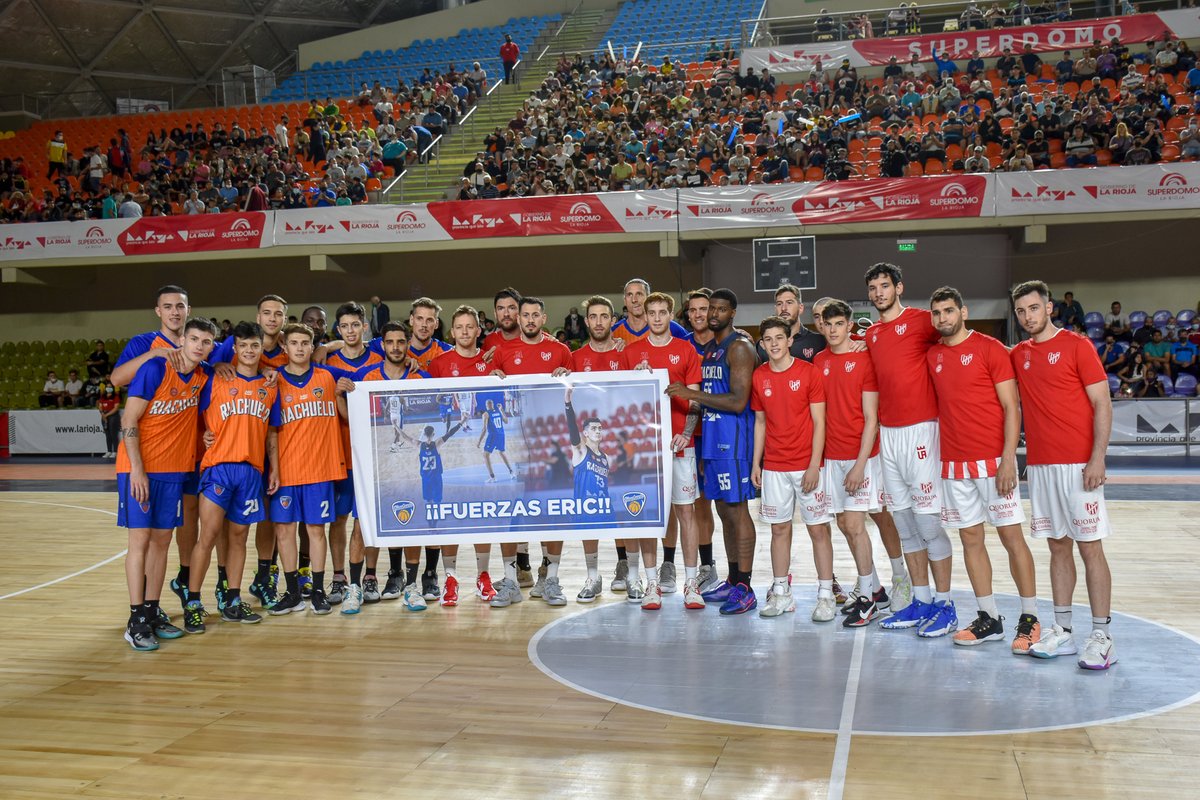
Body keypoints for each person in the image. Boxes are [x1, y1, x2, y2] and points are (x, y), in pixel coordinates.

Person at [926, 288, 1041, 653]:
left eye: (948, 311)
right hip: (953, 464)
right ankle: (988, 617)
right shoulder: (933, 355)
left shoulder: (989, 348)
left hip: (993, 462)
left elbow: (1012, 408)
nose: (943, 318)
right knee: (970, 540)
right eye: (936, 313)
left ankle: (1030, 617)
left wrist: (1009, 458)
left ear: (964, 311)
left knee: (1011, 538)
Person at [1010, 281, 1117, 670]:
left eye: (1034, 308)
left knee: (1090, 548)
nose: (1028, 317)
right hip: (1040, 467)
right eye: (1021, 311)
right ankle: (1064, 632)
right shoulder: (1018, 354)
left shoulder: (1077, 346)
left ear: (1050, 308)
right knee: (1058, 546)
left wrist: (1098, 458)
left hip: (1079, 466)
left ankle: (1103, 636)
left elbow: (1102, 403)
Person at [862, 263, 957, 639]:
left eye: (885, 286)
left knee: (929, 524)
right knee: (904, 525)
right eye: (873, 288)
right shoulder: (872, 334)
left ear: (899, 287)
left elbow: (954, 337)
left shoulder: (922, 321)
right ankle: (920, 600)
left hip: (922, 432)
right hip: (889, 435)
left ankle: (946, 605)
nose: (879, 293)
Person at [116, 317, 216, 651]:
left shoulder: (203, 377)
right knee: (140, 542)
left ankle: (151, 610)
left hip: (174, 472)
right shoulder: (155, 369)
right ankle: (135, 620)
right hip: (140, 469)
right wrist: (137, 471)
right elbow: (128, 420)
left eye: (206, 341)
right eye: (194, 339)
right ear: (183, 341)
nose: (199, 346)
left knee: (162, 543)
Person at [181, 321, 279, 633]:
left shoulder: (270, 385)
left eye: (255, 346)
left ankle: (233, 599)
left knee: (239, 538)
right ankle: (193, 602)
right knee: (207, 536)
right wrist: (203, 439)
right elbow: (190, 416)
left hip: (251, 472)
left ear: (261, 349)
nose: (249, 351)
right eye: (244, 346)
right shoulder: (214, 378)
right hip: (218, 467)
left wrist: (274, 468)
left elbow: (271, 434)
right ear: (234, 348)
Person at [666, 289, 759, 615]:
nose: (713, 314)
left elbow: (738, 401)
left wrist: (691, 393)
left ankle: (746, 586)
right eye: (710, 309)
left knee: (737, 510)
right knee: (722, 512)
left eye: (720, 309)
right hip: (712, 441)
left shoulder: (740, 348)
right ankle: (733, 579)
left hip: (734, 442)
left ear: (732, 312)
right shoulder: (711, 351)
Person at [621, 292, 703, 610]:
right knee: (646, 516)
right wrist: (634, 379)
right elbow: (621, 403)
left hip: (680, 445)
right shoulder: (631, 353)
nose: (656, 317)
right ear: (645, 314)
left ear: (670, 315)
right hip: (643, 450)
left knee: (685, 512)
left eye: (661, 312)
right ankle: (652, 584)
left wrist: (685, 434)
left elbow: (695, 399)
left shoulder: (686, 349)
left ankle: (691, 583)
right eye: (651, 312)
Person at [268, 322, 356, 616]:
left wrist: (331, 352)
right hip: (287, 470)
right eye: (294, 343)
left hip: (320, 469)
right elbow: (268, 430)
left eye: (306, 343)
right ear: (285, 347)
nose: (300, 348)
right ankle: (293, 591)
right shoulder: (273, 380)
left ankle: (317, 590)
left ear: (312, 345)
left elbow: (368, 379)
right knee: (283, 530)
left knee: (316, 530)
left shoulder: (329, 376)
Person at [813, 301, 892, 627]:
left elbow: (872, 419)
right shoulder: (819, 361)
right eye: (827, 324)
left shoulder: (864, 359)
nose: (832, 330)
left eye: (839, 324)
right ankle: (876, 590)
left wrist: (860, 465)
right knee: (845, 525)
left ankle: (865, 599)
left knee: (856, 526)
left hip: (861, 457)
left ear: (849, 326)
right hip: (832, 456)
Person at [490, 296, 573, 608]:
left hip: (552, 446)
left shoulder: (561, 351)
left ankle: (550, 578)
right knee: (511, 516)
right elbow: (488, 395)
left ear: (543, 317)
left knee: (553, 514)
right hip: (517, 448)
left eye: (534, 315)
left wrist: (569, 378)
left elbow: (579, 393)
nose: (528, 320)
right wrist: (492, 379)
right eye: (524, 315)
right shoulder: (501, 353)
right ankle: (510, 581)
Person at [750, 315, 832, 620]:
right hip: (774, 466)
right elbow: (760, 423)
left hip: (807, 466)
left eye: (778, 338)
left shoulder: (809, 373)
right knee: (779, 529)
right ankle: (781, 593)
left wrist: (814, 465)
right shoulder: (759, 377)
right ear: (762, 344)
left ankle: (825, 596)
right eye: (767, 339)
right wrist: (756, 463)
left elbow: (820, 422)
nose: (773, 344)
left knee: (818, 530)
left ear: (789, 341)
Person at [427, 305, 497, 605]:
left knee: (481, 515)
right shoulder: (439, 363)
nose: (466, 331)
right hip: (452, 449)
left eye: (471, 326)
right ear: (452, 331)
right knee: (450, 516)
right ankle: (451, 578)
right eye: (460, 327)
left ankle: (483, 576)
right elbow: (431, 402)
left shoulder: (490, 361)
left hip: (476, 445)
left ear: (478, 330)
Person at [323, 302, 384, 614]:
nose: (350, 330)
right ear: (338, 330)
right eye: (344, 326)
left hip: (370, 456)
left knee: (367, 520)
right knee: (339, 519)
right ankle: (338, 576)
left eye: (355, 325)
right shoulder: (329, 363)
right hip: (338, 454)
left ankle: (370, 576)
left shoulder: (379, 359)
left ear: (364, 328)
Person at [569, 295, 626, 602]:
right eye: (594, 316)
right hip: (592, 442)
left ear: (612, 320)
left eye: (605, 316)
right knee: (588, 510)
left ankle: (626, 570)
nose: (600, 321)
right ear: (587, 321)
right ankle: (593, 576)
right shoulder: (575, 358)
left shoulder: (625, 353)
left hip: (618, 440)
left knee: (620, 508)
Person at [756, 284, 827, 364]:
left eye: (789, 303)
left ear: (800, 308)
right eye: (779, 304)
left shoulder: (819, 341)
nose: (783, 308)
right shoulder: (763, 345)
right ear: (775, 309)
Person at [611, 278, 688, 344]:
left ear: (648, 298)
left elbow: (693, 352)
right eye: (629, 295)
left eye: (639, 294)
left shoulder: (671, 327)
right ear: (625, 301)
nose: (634, 300)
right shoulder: (614, 331)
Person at [98, 383, 121, 458]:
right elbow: (100, 406)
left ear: (113, 388)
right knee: (107, 435)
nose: (108, 388)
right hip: (104, 416)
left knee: (113, 434)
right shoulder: (103, 397)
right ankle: (109, 451)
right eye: (107, 387)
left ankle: (115, 451)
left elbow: (116, 408)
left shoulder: (116, 397)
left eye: (110, 387)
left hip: (113, 416)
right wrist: (102, 414)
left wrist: (107, 415)